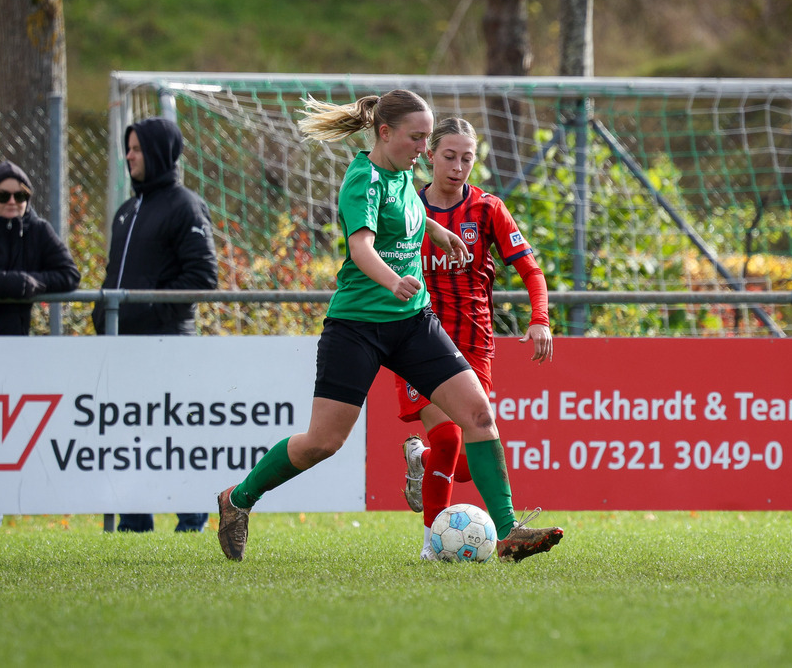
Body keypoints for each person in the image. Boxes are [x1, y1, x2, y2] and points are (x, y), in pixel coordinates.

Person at [215, 89, 564, 563]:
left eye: (427, 138)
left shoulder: (404, 175)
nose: (424, 148)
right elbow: (361, 248)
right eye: (417, 137)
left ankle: (508, 531)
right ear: (385, 133)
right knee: (323, 442)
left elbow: (414, 217)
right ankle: (237, 499)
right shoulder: (362, 178)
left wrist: (438, 232)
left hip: (414, 322)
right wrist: (393, 279)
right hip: (357, 325)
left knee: (479, 417)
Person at [393, 117, 554, 560]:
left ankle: (421, 463)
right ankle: (431, 547)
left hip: (473, 344)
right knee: (447, 439)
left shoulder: (488, 210)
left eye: (467, 158)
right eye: (449, 156)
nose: (458, 166)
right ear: (430, 156)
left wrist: (539, 318)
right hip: (415, 339)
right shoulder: (404, 204)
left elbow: (531, 270)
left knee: (465, 458)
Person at [91, 116, 218, 533]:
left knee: (176, 437)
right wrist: (103, 316)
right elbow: (115, 276)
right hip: (123, 348)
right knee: (130, 437)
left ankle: (192, 521)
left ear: (159, 152)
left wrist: (145, 311)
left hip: (168, 347)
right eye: (127, 149)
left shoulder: (185, 205)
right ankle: (134, 523)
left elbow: (202, 278)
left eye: (137, 149)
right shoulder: (127, 211)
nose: (129, 157)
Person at [0, 161, 81, 534]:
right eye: (4, 195)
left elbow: (69, 275)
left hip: (12, 350)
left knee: (1, 438)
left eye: (21, 196)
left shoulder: (38, 231)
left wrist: (32, 283)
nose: (13, 202)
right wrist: (13, 284)